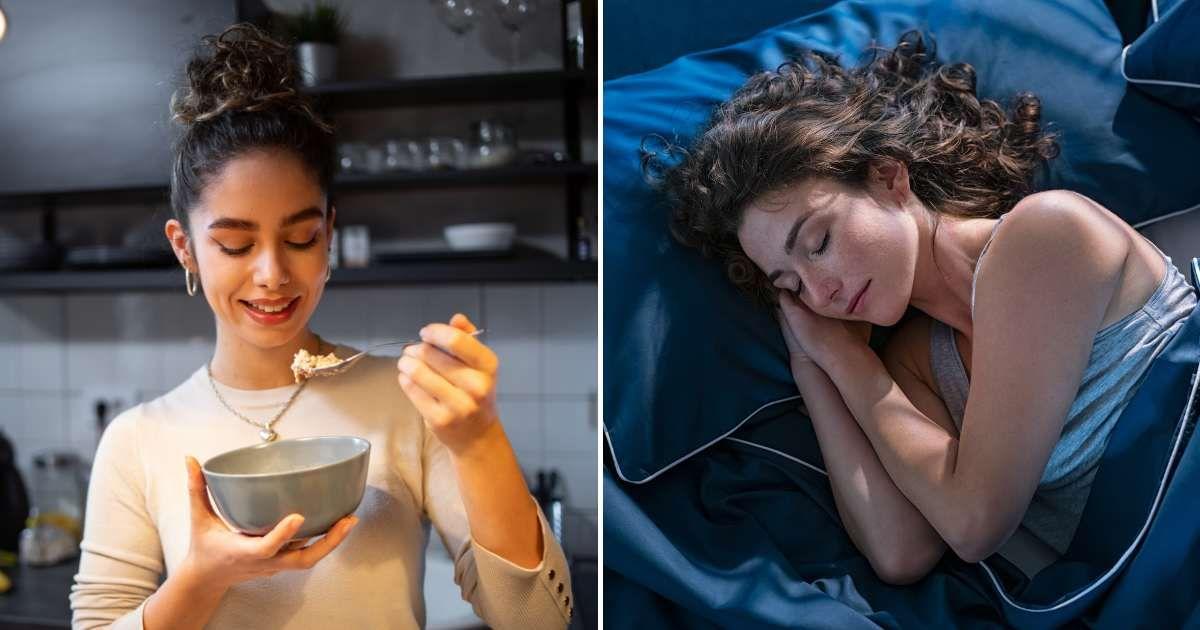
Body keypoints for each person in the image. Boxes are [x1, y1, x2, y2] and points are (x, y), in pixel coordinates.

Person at [70, 24, 573, 629]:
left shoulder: (408, 403)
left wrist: (479, 439)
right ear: (184, 249)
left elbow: (537, 618)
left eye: (300, 238)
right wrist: (202, 579)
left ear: (329, 235)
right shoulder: (138, 439)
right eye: (234, 244)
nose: (272, 274)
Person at [658, 32, 1197, 584]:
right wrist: (818, 367)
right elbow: (901, 552)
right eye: (790, 284)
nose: (822, 294)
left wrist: (854, 368)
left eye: (819, 243)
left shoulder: (1046, 235)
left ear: (889, 178)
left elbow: (973, 524)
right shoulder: (920, 365)